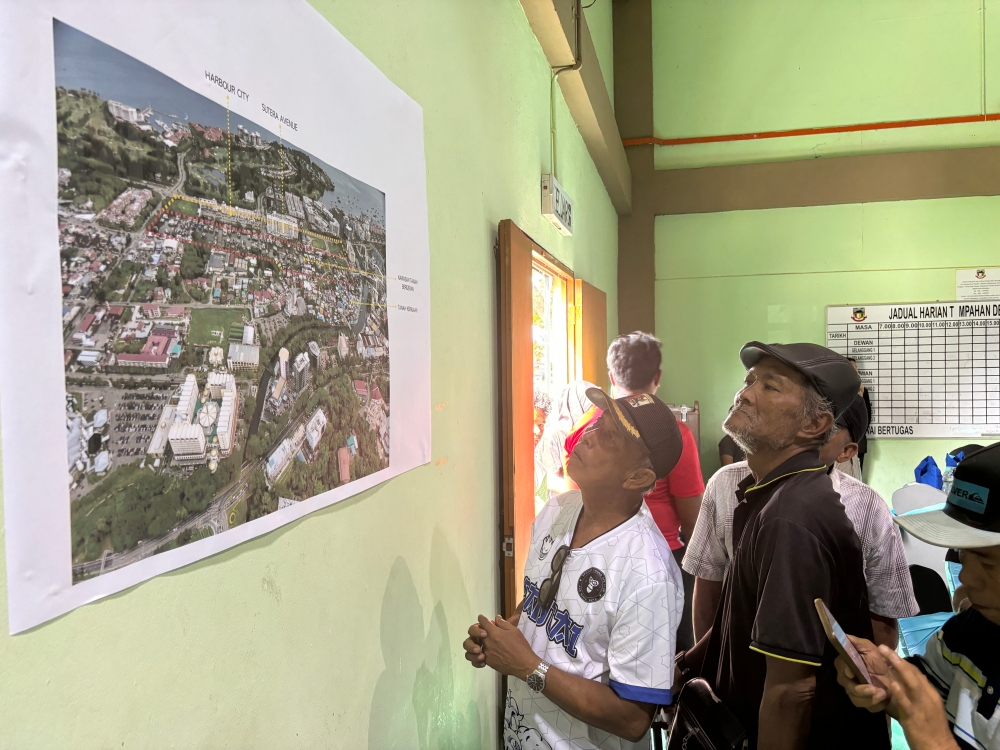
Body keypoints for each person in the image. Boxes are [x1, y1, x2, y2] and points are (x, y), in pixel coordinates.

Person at [675, 342, 889, 750]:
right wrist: (686, 666)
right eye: (750, 381)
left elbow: (793, 693)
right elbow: (741, 620)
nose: (746, 392)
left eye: (770, 387)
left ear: (813, 426)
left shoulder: (791, 516)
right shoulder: (769, 494)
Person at [464, 388, 686, 749]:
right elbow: (540, 605)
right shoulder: (557, 511)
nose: (587, 436)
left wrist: (527, 666)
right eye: (599, 423)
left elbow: (632, 720)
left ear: (638, 478)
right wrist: (504, 636)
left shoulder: (649, 574)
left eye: (609, 437)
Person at [684, 394, 917, 645]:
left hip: (830, 665)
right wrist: (704, 669)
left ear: (847, 452)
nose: (807, 434)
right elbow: (708, 586)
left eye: (826, 430)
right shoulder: (725, 484)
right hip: (741, 657)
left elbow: (883, 615)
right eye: (803, 419)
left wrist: (869, 678)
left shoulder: (868, 507)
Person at [837, 441, 1000, 750]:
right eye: (962, 555)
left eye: (988, 563)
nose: (966, 577)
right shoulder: (967, 632)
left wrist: (935, 742)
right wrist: (887, 680)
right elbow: (929, 692)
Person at [562, 332, 704, 651]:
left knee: (591, 647)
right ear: (657, 377)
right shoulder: (674, 438)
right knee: (662, 656)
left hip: (591, 555)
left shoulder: (584, 426)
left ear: (612, 376)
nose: (596, 438)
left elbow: (573, 504)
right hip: (662, 555)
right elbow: (694, 521)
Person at [535, 381, 596, 496]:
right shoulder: (553, 436)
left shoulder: (592, 434)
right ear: (576, 405)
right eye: (590, 406)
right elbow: (550, 480)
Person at [846, 357, 872, 472]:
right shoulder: (838, 390)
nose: (856, 371)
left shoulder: (863, 391)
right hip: (842, 444)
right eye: (853, 368)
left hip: (859, 442)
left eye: (857, 368)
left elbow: (866, 417)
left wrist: (860, 395)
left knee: (858, 477)